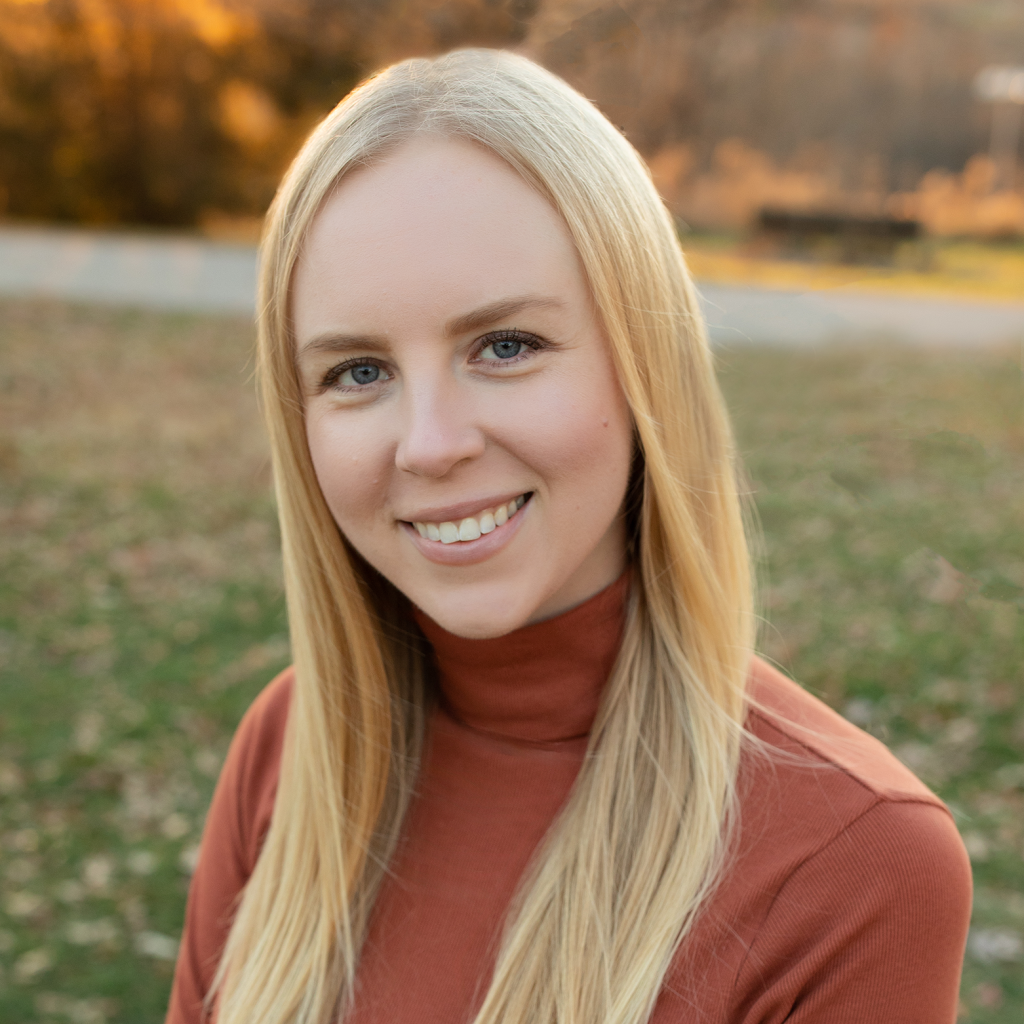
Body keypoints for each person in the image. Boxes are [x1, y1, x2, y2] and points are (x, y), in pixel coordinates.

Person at [166, 49, 971, 1024]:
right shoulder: (290, 748)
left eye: (505, 346)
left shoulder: (855, 866)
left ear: (645, 365)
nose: (430, 444)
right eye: (358, 372)